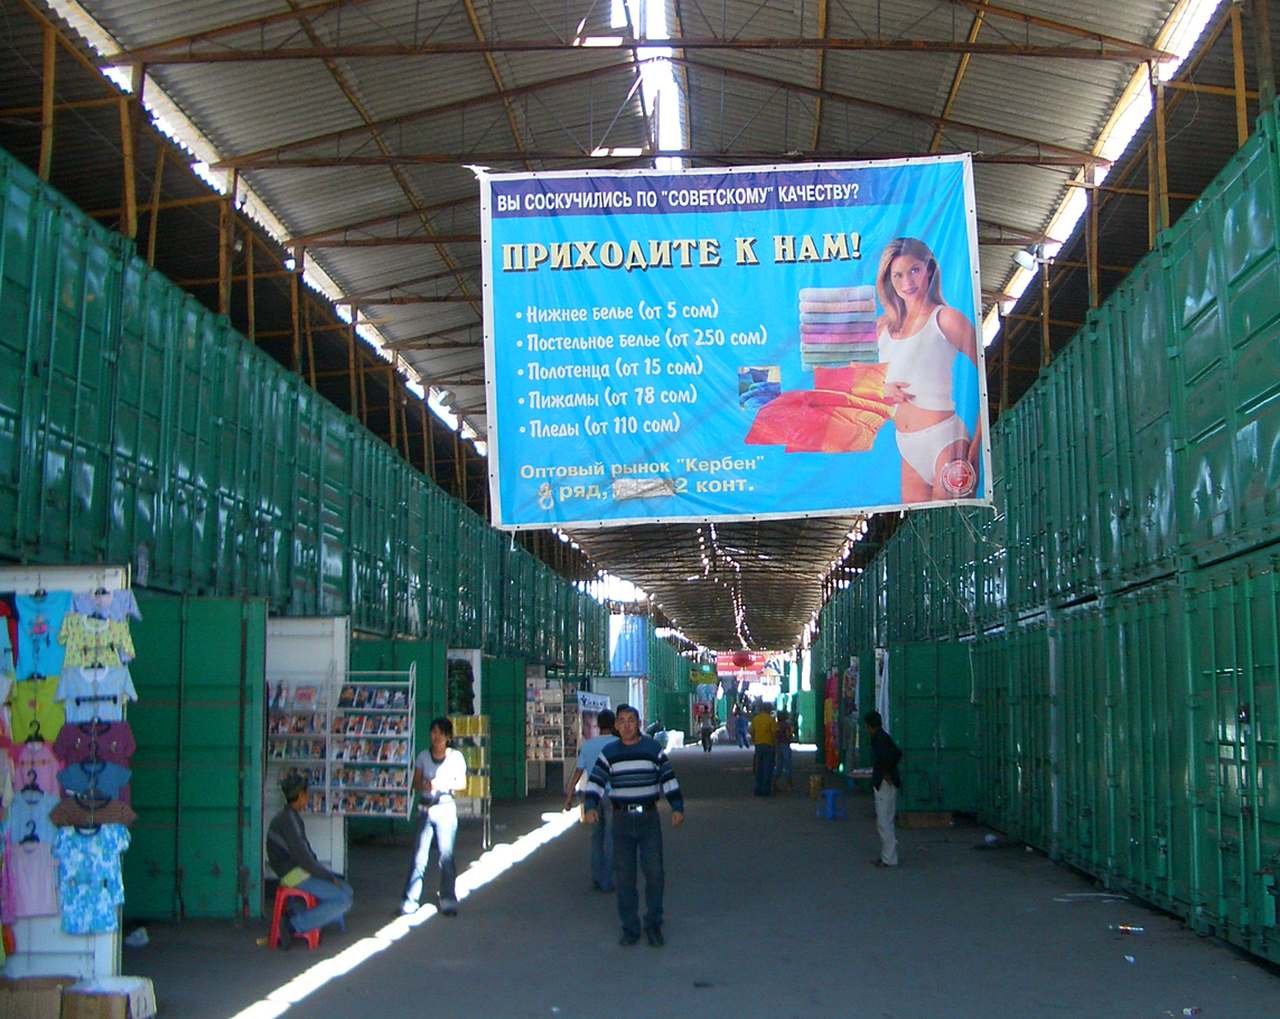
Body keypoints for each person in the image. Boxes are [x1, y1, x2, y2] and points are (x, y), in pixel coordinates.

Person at [875, 237, 982, 504]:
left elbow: (987, 373)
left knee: (951, 528)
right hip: (907, 447)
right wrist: (882, 388)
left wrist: (978, 447)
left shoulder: (946, 318)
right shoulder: (881, 328)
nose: (907, 283)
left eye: (914, 270)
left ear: (929, 269)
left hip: (945, 440)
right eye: (897, 275)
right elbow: (856, 384)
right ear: (888, 280)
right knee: (924, 533)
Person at [582, 704, 684, 947]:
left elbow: (668, 778)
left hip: (648, 819)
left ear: (638, 723)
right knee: (625, 877)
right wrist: (590, 806)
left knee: (655, 873)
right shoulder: (610, 753)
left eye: (631, 720)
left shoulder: (653, 750)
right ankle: (630, 928)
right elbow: (596, 780)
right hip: (622, 821)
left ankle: (654, 925)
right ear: (616, 726)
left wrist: (677, 806)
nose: (627, 725)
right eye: (622, 721)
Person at [266, 776, 353, 947]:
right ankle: (293, 925)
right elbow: (305, 860)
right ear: (300, 796)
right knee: (344, 899)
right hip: (293, 874)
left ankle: (300, 914)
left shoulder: (288, 817)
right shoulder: (289, 821)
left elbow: (305, 856)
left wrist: (325, 875)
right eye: (306, 795)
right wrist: (329, 877)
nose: (307, 799)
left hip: (296, 870)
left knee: (346, 890)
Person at [401, 717, 468, 916]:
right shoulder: (423, 756)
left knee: (446, 857)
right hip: (425, 809)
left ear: (448, 737)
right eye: (433, 732)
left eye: (440, 733)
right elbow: (415, 783)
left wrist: (441, 784)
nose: (435, 736)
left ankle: (447, 898)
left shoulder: (456, 757)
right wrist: (425, 785)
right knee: (419, 857)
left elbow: (462, 784)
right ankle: (410, 900)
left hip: (445, 809)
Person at [563, 708, 617, 892]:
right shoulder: (619, 745)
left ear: (598, 725)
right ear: (614, 724)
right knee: (611, 837)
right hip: (612, 794)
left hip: (591, 795)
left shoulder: (588, 746)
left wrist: (569, 797)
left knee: (596, 837)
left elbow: (578, 773)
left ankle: (596, 876)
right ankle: (607, 880)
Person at [865, 710, 902, 867]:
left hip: (884, 784)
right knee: (888, 819)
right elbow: (897, 753)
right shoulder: (884, 737)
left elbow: (884, 758)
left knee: (883, 821)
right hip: (890, 782)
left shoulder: (877, 740)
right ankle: (889, 854)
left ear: (868, 726)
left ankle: (889, 858)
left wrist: (886, 773)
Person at [749, 702, 777, 797]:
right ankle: (766, 790)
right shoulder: (771, 719)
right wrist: (775, 745)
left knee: (759, 768)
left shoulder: (755, 719)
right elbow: (774, 734)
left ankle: (758, 789)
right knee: (768, 768)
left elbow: (752, 732)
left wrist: (754, 740)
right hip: (769, 745)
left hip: (758, 745)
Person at [773, 709, 795, 791]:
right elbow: (789, 735)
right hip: (786, 745)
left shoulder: (776, 725)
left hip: (778, 746)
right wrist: (790, 738)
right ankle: (789, 784)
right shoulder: (787, 725)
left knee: (779, 765)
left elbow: (775, 735)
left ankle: (774, 783)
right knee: (788, 765)